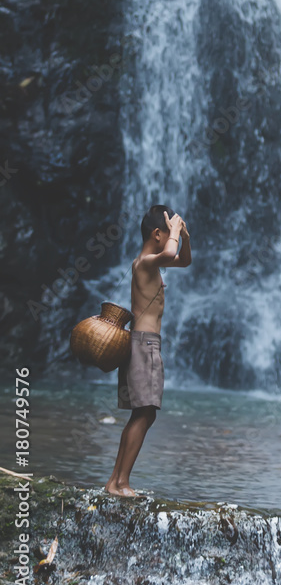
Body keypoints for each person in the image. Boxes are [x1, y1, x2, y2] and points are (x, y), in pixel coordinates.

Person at [104, 205, 191, 497]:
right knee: (145, 414)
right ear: (158, 234)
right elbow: (169, 255)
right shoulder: (144, 262)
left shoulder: (149, 262)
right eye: (169, 234)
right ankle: (121, 483)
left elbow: (184, 260)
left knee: (142, 414)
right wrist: (175, 233)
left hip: (143, 345)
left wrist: (185, 237)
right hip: (145, 345)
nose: (173, 239)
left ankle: (116, 481)